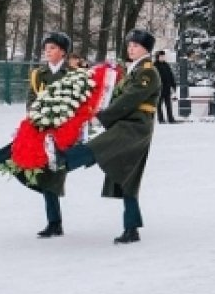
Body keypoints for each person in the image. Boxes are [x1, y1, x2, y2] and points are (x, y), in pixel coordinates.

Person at [58, 29, 160, 244]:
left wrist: (102, 117)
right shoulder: (133, 70)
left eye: (136, 46)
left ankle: (62, 161)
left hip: (135, 127)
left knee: (98, 147)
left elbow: (130, 100)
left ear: (146, 50)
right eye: (130, 45)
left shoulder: (147, 72)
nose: (131, 48)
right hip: (127, 124)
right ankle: (131, 229)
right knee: (127, 178)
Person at [0, 31, 75, 238]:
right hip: (40, 125)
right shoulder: (39, 74)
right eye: (46, 49)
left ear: (63, 52)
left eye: (53, 48)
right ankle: (54, 223)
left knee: (52, 176)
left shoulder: (73, 74)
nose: (48, 52)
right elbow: (31, 97)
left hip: (62, 130)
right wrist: (35, 115)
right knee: (26, 154)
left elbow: (78, 100)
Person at [154, 50, 177, 124]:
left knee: (168, 104)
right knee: (159, 105)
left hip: (167, 88)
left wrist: (173, 85)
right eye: (161, 56)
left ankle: (170, 118)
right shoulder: (155, 65)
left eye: (163, 56)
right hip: (159, 88)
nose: (163, 57)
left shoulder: (166, 65)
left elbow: (170, 75)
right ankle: (161, 119)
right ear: (158, 57)